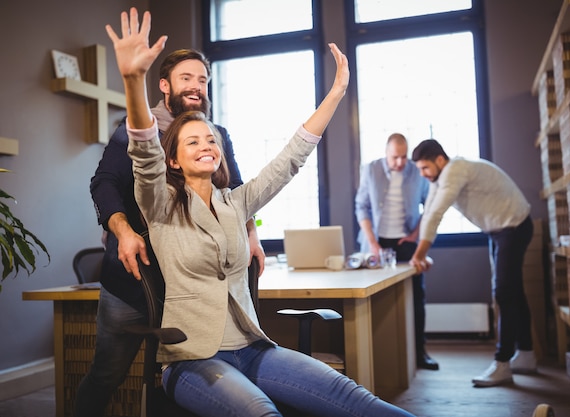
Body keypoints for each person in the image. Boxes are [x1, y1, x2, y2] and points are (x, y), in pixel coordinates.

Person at [103, 7, 418, 417]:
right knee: (263, 413)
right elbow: (144, 152)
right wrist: (131, 79)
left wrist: (336, 93)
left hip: (252, 348)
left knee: (354, 398)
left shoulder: (236, 202)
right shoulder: (159, 203)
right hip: (192, 359)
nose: (207, 145)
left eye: (211, 140)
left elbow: (291, 158)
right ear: (174, 161)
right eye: (193, 141)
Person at [74, 47, 265, 417]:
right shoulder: (135, 128)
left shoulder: (216, 135)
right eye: (186, 78)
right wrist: (123, 231)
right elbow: (104, 184)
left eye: (202, 80)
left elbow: (238, 193)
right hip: (132, 279)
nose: (196, 87)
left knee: (197, 377)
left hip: (193, 288)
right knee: (106, 375)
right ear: (164, 85)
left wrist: (251, 235)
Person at [409, 139, 537, 387]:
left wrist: (419, 255)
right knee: (513, 292)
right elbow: (430, 212)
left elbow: (437, 214)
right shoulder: (440, 178)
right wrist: (420, 252)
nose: (423, 174)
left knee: (504, 292)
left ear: (439, 160)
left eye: (424, 168)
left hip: (514, 226)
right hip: (500, 230)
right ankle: (527, 355)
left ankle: (503, 364)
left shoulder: (456, 170)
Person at [354, 133, 438, 370]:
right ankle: (381, 356)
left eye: (403, 157)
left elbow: (430, 205)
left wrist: (414, 235)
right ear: (386, 152)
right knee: (375, 297)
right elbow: (361, 207)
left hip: (407, 244)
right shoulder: (370, 170)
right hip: (376, 243)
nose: (400, 162)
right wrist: (372, 243)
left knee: (416, 298)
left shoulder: (416, 171)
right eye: (395, 157)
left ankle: (420, 353)